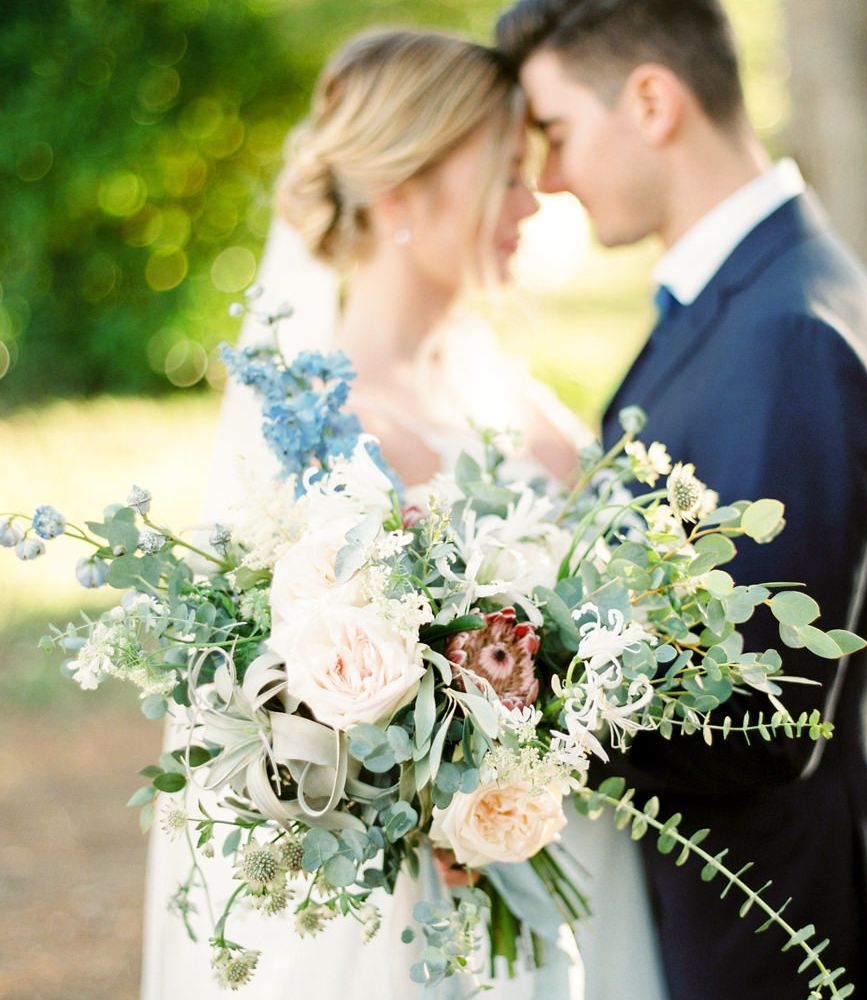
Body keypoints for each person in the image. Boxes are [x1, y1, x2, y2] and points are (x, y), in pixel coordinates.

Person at [141, 27, 667, 1000]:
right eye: (506, 175)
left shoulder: (524, 401)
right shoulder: (306, 438)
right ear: (399, 190)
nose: (534, 201)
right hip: (402, 922)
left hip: (576, 870)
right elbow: (270, 737)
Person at [495, 2, 867, 998]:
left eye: (557, 130)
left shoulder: (790, 331)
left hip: (765, 934)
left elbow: (761, 711)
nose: (549, 176)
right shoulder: (746, 296)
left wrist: (496, 696)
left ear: (652, 102)